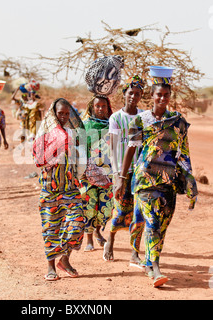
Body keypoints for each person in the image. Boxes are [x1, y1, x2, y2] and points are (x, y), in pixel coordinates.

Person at [115, 66, 198, 287]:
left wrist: (190, 179)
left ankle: (150, 263)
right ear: (151, 96)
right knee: (151, 222)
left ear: (170, 97)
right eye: (158, 94)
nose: (162, 98)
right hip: (145, 179)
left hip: (169, 180)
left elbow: (184, 152)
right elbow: (131, 150)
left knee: (162, 225)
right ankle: (157, 268)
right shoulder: (140, 120)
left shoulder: (178, 121)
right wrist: (122, 180)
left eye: (166, 95)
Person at [33, 98, 86, 281]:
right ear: (54, 114)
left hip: (70, 187)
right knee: (51, 227)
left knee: (77, 223)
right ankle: (51, 267)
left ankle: (65, 260)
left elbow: (80, 156)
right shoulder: (45, 132)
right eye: (60, 113)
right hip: (50, 187)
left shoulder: (73, 132)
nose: (63, 116)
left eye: (66, 113)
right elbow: (38, 158)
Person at [103, 75, 146, 268]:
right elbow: (112, 147)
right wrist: (116, 174)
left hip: (140, 172)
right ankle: (110, 240)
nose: (133, 97)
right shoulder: (116, 118)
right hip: (121, 171)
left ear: (141, 96)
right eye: (130, 93)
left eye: (137, 94)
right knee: (120, 209)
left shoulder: (144, 116)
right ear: (124, 94)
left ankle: (135, 253)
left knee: (139, 212)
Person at [79, 95, 114, 252]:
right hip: (87, 174)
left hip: (108, 175)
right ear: (91, 108)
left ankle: (98, 230)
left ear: (108, 108)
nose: (100, 109)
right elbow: (79, 149)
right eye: (97, 106)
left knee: (105, 207)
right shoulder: (85, 126)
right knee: (89, 206)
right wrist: (84, 170)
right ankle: (89, 239)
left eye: (103, 106)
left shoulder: (113, 125)